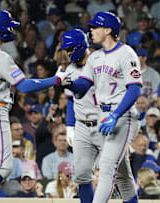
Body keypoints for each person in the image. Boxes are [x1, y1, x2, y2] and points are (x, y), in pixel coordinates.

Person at [0, 10, 68, 203]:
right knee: (2, 167)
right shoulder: (0, 56)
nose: (12, 30)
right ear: (0, 29)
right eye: (9, 26)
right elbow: (24, 85)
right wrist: (55, 80)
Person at [62, 11, 142, 203]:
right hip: (103, 116)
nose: (91, 31)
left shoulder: (126, 53)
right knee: (122, 173)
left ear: (108, 30)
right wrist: (69, 84)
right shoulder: (95, 57)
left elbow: (135, 90)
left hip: (123, 116)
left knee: (106, 167)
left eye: (95, 27)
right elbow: (83, 85)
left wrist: (115, 115)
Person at [57, 28, 103, 203]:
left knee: (116, 173)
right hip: (83, 125)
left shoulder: (100, 61)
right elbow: (70, 101)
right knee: (83, 175)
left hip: (103, 123)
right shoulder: (70, 68)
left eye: (70, 49)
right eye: (66, 50)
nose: (68, 53)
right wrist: (70, 127)